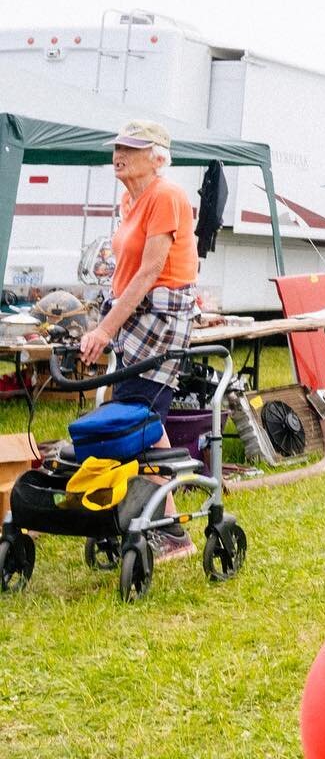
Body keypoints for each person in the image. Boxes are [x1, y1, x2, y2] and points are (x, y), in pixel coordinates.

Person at [77, 119, 200, 562]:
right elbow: (128, 270)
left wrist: (105, 329)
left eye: (130, 147)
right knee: (145, 417)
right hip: (136, 314)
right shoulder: (130, 199)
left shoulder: (166, 195)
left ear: (157, 156)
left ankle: (168, 530)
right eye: (117, 146)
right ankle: (170, 528)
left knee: (136, 416)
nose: (118, 153)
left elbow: (151, 271)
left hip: (162, 315)